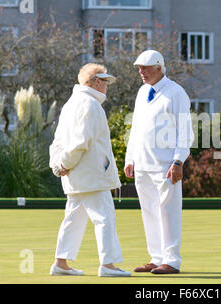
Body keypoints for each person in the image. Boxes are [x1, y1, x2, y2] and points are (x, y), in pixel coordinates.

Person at [48, 63, 131, 277]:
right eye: (104, 81)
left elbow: (58, 140)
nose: (106, 86)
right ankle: (108, 264)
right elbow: (80, 142)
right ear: (94, 82)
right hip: (90, 175)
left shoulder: (71, 103)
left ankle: (61, 263)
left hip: (77, 174)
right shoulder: (90, 105)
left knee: (73, 218)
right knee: (104, 217)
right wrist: (63, 163)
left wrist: (59, 163)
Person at [124, 50, 194, 274]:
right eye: (139, 68)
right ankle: (156, 258)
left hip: (166, 166)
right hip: (143, 165)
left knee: (168, 212)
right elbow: (135, 129)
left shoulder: (176, 93)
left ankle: (171, 261)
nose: (141, 72)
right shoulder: (142, 91)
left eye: (145, 68)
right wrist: (130, 158)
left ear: (159, 68)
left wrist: (178, 161)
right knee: (150, 212)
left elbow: (185, 131)